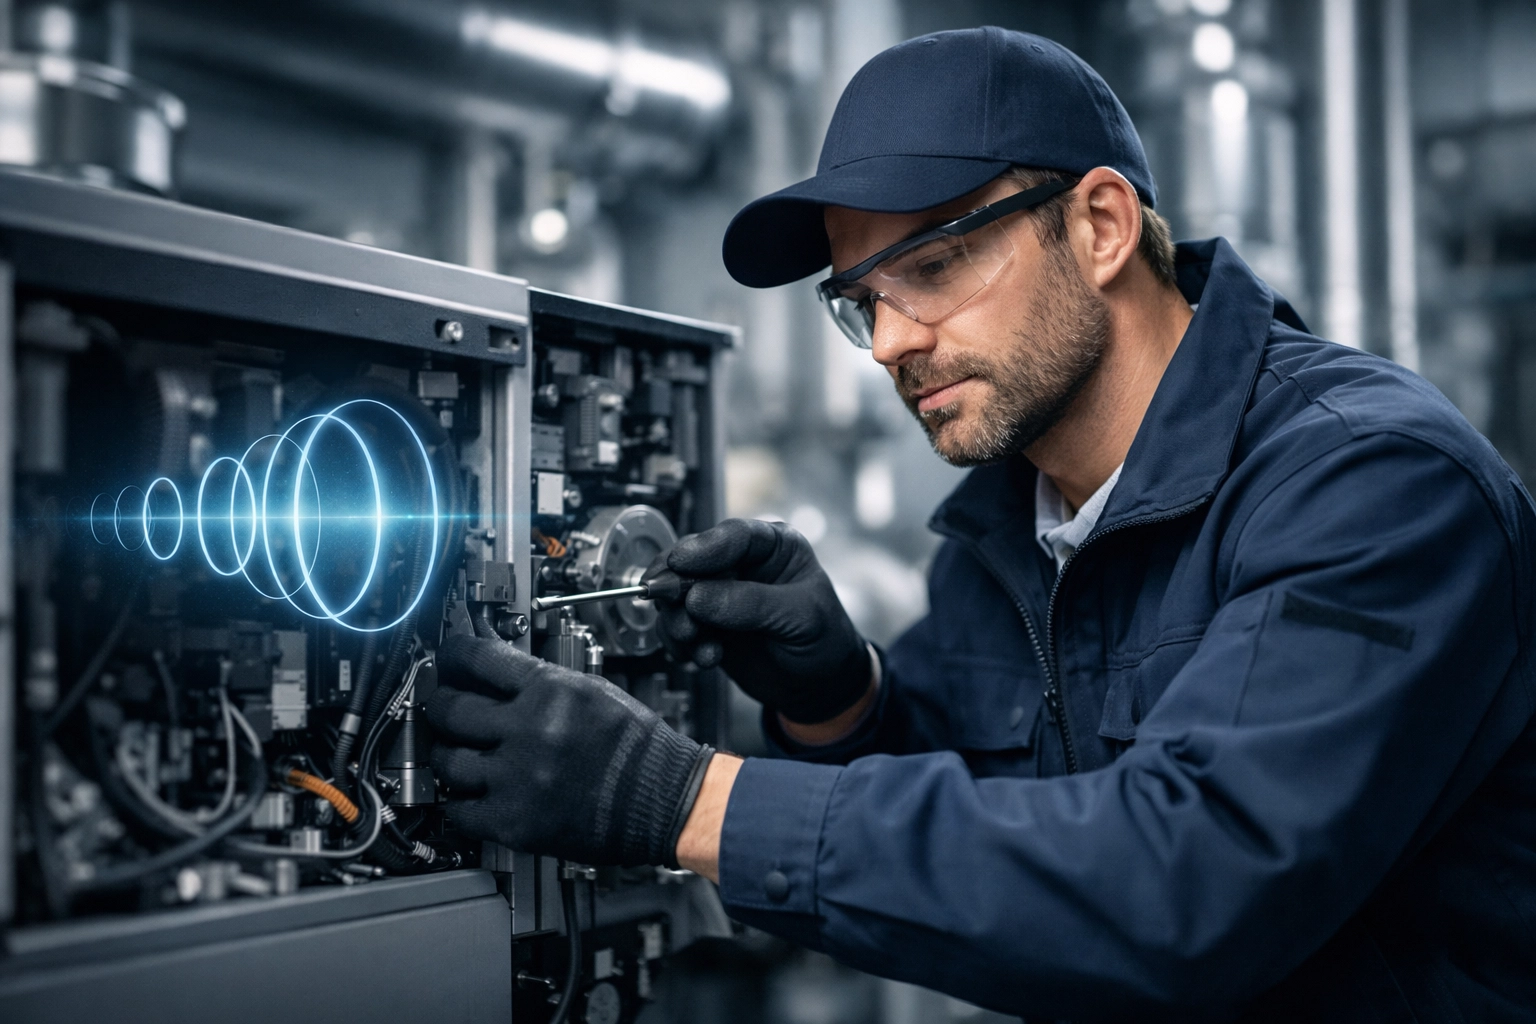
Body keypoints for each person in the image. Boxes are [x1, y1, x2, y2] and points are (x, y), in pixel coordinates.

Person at [426, 27, 1536, 1022]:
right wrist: (843, 699)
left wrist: (683, 799)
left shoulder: (1374, 483)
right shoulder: (1012, 527)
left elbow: (1187, 884)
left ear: (1100, 226)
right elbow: (998, 857)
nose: (891, 342)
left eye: (933, 266)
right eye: (863, 299)